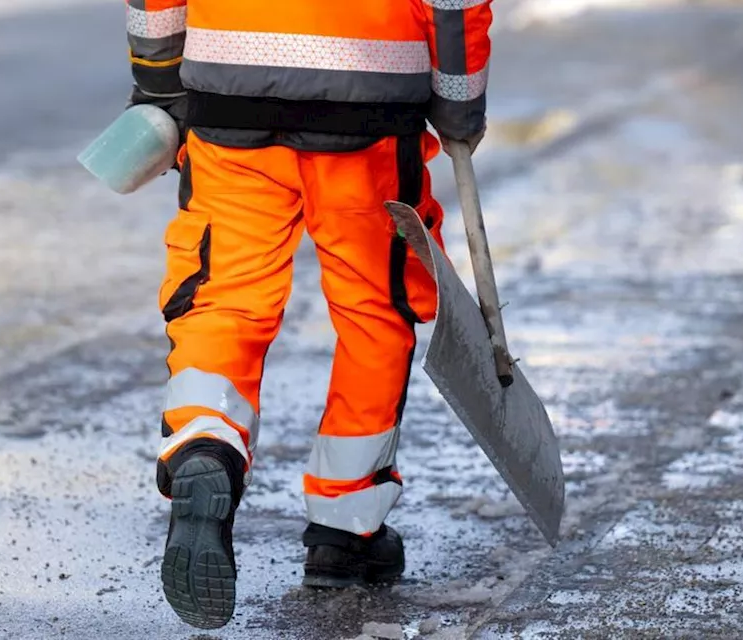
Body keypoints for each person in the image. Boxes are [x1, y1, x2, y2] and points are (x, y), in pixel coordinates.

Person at [123, 0, 492, 629]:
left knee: (224, 295)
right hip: (369, 105)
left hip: (228, 93)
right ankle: (346, 529)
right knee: (374, 310)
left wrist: (159, 86)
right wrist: (458, 105)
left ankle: (204, 441)